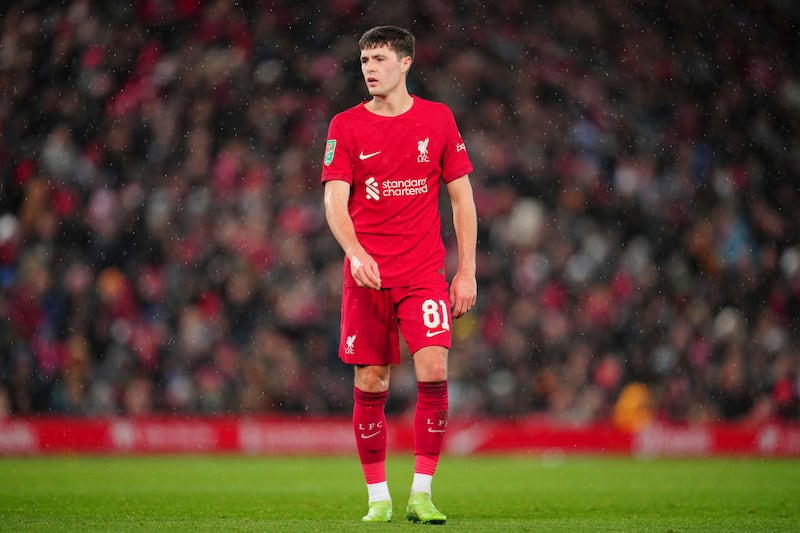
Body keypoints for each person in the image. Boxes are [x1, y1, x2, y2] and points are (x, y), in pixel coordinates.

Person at [321, 25, 477, 524]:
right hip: (367, 276)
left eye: (380, 58)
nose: (369, 68)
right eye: (364, 59)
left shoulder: (438, 119)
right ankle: (378, 498)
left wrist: (467, 270)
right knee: (371, 380)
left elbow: (462, 199)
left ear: (405, 63)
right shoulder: (344, 125)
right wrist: (354, 252)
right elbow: (333, 201)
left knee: (434, 369)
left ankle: (423, 492)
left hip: (423, 274)